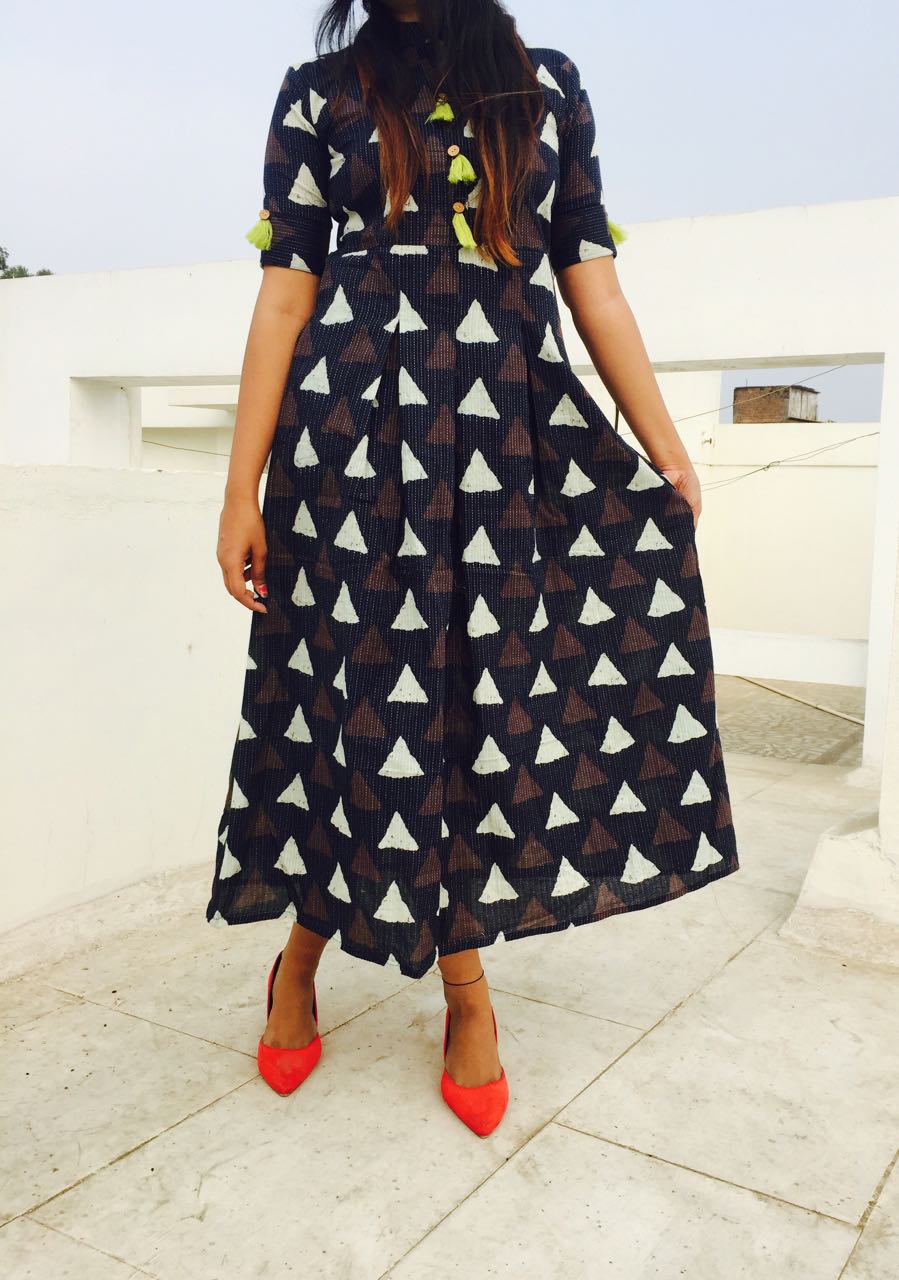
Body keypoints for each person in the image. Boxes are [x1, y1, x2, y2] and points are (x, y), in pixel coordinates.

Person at [207, 0, 741, 1136]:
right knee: (350, 703)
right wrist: (240, 488)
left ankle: (457, 986)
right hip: (349, 434)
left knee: (473, 709)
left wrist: (664, 449)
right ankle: (305, 957)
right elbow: (285, 292)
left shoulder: (544, 84)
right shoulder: (319, 93)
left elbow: (590, 275)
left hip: (507, 436)